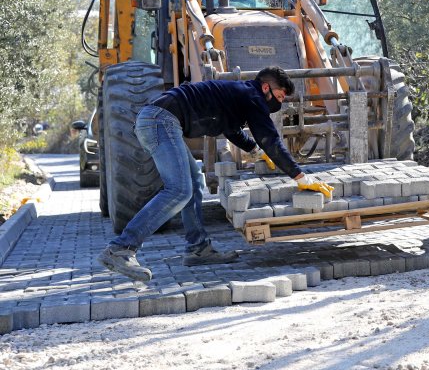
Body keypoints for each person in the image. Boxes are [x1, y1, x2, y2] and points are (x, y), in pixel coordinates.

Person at [97, 66, 334, 282]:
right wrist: (301, 178)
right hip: (161, 121)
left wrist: (254, 151)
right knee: (179, 190)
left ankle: (197, 248)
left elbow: (231, 129)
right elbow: (270, 138)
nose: (279, 103)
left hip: (159, 121)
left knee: (194, 183)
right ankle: (121, 248)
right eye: (280, 96)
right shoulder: (252, 96)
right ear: (266, 88)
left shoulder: (238, 95)